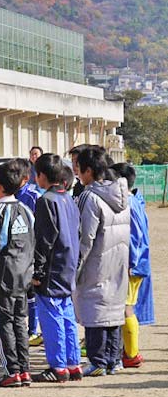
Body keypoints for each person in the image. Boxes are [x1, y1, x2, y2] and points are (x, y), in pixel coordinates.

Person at [74, 146, 129, 377]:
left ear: (88, 171)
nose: (77, 174)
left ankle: (97, 361)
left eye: (79, 170)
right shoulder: (123, 196)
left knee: (95, 311)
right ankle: (113, 360)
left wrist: (74, 268)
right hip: (119, 261)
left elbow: (84, 238)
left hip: (96, 262)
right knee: (114, 312)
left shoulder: (90, 196)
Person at [0, 162, 36, 387]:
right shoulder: (26, 211)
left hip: (2, 278)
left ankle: (11, 371)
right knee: (20, 323)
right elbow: (32, 244)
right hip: (23, 276)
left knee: (4, 324)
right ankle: (25, 370)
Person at [30, 153, 83, 383]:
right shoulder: (69, 199)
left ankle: (58, 366)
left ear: (41, 176)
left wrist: (37, 271)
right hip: (69, 264)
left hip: (52, 268)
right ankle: (73, 364)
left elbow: (44, 239)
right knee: (67, 314)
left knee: (52, 316)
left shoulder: (46, 201)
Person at [110, 162, 151, 369]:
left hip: (132, 265)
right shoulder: (134, 201)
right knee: (127, 307)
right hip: (135, 264)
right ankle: (129, 351)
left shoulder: (129, 204)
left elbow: (135, 237)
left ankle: (132, 354)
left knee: (126, 309)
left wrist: (130, 263)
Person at [10, 158, 41, 346]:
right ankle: (21, 328)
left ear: (25, 177)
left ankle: (33, 329)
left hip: (30, 251)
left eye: (16, 175)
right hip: (15, 252)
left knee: (31, 293)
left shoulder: (32, 196)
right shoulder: (10, 196)